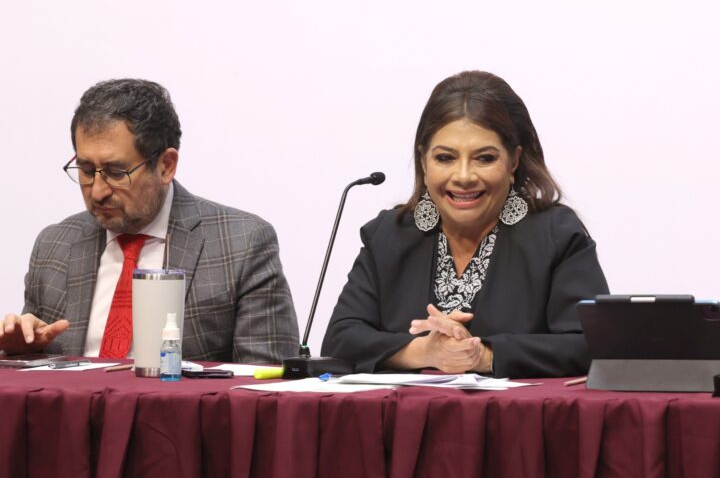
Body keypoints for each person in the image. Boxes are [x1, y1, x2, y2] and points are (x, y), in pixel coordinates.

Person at [322, 71, 609, 378]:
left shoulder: (556, 234)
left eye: (484, 158)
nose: (463, 176)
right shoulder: (389, 234)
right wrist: (424, 351)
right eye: (445, 158)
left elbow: (591, 344)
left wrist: (482, 355)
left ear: (513, 161)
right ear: (424, 161)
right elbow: (341, 340)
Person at [1, 79, 300, 363]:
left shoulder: (241, 245)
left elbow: (266, 384)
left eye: (116, 173)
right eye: (87, 170)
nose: (98, 191)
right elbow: (35, 381)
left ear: (166, 166)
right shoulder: (54, 246)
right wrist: (17, 352)